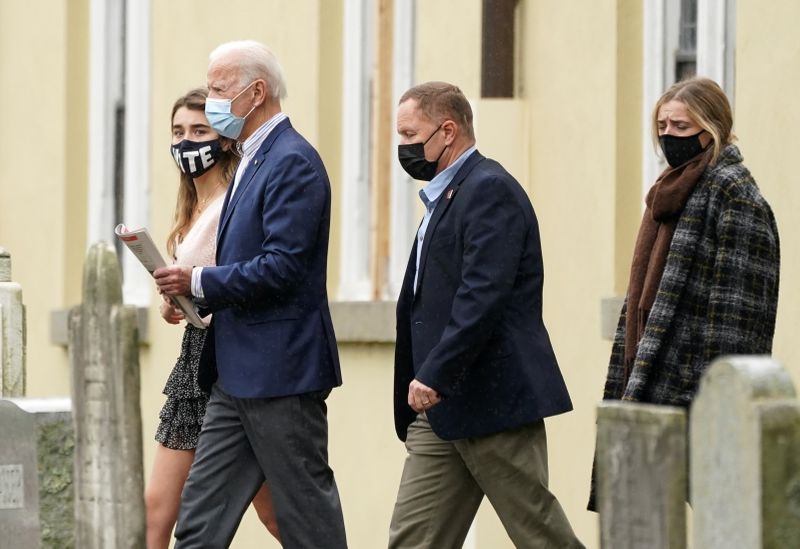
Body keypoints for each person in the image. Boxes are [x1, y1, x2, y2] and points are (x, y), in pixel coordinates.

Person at [153, 41, 346, 548]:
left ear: (255, 92)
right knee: (197, 526)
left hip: (282, 374)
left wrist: (197, 282)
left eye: (218, 89)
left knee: (307, 521)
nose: (211, 100)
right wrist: (195, 298)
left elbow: (283, 267)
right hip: (231, 376)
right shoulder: (251, 160)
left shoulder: (293, 162)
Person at [389, 81, 583, 549]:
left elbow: (483, 295)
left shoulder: (488, 189)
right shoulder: (446, 195)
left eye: (410, 134)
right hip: (438, 411)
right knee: (412, 538)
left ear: (448, 131)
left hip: (492, 400)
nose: (403, 148)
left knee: (538, 533)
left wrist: (434, 372)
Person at [589, 77, 780, 509]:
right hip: (651, 379)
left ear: (710, 128)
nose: (668, 136)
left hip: (689, 391)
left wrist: (712, 404)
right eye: (662, 126)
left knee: (721, 517)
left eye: (680, 126)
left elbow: (738, 320)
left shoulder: (734, 194)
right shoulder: (670, 190)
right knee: (641, 518)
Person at [145, 88, 279, 548]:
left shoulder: (237, 199)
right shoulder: (189, 208)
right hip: (192, 363)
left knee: (277, 513)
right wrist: (174, 302)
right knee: (155, 513)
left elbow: (240, 278)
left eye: (199, 130)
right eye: (178, 132)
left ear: (223, 138)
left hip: (231, 361)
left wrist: (195, 289)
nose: (187, 142)